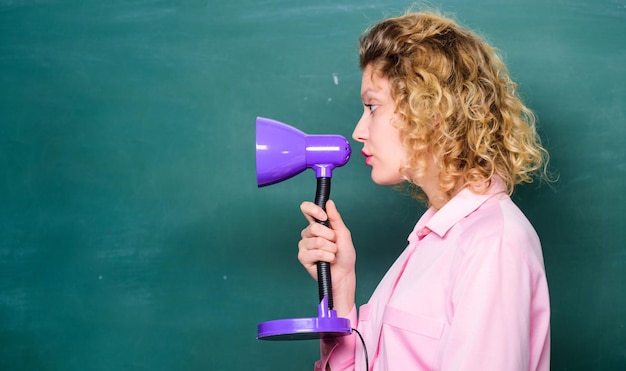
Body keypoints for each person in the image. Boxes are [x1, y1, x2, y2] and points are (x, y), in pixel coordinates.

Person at [297, 11, 551, 371]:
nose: (358, 130)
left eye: (372, 107)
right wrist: (341, 286)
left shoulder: (493, 244)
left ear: (430, 109)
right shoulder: (431, 242)